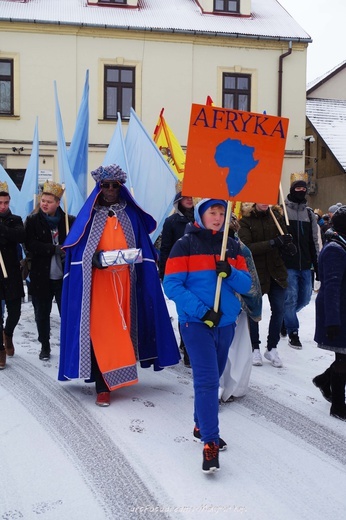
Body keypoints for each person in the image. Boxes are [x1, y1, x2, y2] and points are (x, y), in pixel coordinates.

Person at [58, 164, 180, 407]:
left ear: (121, 187)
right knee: (103, 332)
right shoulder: (89, 215)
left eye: (115, 185)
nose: (111, 189)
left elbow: (145, 252)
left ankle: (113, 376)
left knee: (122, 332)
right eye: (106, 185)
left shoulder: (131, 215)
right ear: (99, 187)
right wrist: (91, 258)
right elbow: (76, 252)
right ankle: (103, 385)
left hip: (126, 285)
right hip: (97, 285)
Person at [163, 199, 251, 473]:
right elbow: (171, 285)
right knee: (208, 381)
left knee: (216, 373)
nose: (217, 217)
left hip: (225, 323)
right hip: (196, 323)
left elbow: (247, 285)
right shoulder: (185, 244)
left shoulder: (232, 246)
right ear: (201, 214)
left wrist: (230, 271)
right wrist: (202, 312)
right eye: (212, 212)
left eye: (222, 212)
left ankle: (201, 424)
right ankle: (210, 442)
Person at [24, 181, 75, 361]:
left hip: (63, 277)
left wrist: (68, 251)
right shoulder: (32, 221)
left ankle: (69, 347)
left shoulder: (70, 220)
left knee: (67, 315)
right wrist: (52, 249)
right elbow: (29, 244)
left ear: (58, 203)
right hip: (41, 276)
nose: (44, 204)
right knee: (42, 315)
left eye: (49, 201)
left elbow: (76, 244)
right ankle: (44, 346)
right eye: (42, 200)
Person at [238, 203, 294, 368]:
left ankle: (272, 347)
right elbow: (247, 248)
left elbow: (283, 241)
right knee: (253, 310)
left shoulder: (276, 217)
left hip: (276, 272)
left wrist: (288, 245)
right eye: (260, 199)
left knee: (279, 310)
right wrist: (273, 242)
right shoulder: (246, 220)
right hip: (256, 273)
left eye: (267, 199)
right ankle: (254, 346)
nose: (264, 202)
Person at [313, 206, 346, 421]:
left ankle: (324, 381)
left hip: (342, 308)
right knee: (343, 358)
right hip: (338, 311)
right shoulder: (335, 249)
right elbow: (332, 286)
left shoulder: (341, 244)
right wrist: (333, 321)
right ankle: (338, 405)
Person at [282, 173, 320, 349]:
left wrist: (317, 263)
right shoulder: (282, 211)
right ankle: (293, 332)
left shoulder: (310, 214)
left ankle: (285, 317)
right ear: (291, 190)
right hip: (288, 264)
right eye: (298, 189)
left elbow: (313, 240)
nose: (301, 191)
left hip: (305, 264)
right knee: (290, 299)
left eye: (304, 189)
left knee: (304, 298)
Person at [159, 190, 195, 367]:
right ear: (178, 201)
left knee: (194, 311)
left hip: (198, 271)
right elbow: (165, 248)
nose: (189, 200)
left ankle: (187, 343)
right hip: (179, 272)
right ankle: (189, 351)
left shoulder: (201, 219)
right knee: (185, 311)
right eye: (185, 197)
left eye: (191, 197)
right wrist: (164, 271)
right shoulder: (171, 222)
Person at [0, 181, 25, 370]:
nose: (3, 207)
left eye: (6, 203)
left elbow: (20, 237)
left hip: (12, 273)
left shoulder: (15, 220)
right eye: (0, 203)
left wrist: (3, 231)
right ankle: (1, 350)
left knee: (15, 312)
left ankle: (7, 333)